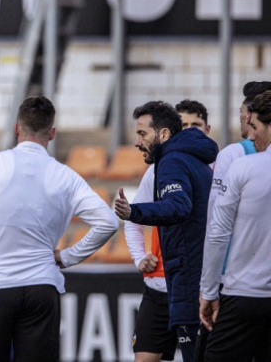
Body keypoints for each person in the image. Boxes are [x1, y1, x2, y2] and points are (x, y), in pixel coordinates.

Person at [0, 96, 118, 361]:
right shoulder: (64, 174)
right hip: (41, 286)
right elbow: (109, 222)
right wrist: (67, 256)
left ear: (16, 129)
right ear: (52, 133)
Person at [114, 101, 218, 362]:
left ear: (163, 135)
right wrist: (139, 255)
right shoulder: (194, 161)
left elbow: (178, 206)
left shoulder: (171, 162)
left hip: (188, 280)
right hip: (192, 279)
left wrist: (133, 212)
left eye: (142, 134)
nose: (137, 142)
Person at [200, 91, 271, 361]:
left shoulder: (242, 167)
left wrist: (207, 291)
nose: (251, 136)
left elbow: (218, 233)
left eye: (254, 128)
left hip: (243, 295)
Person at [208, 81, 271, 225]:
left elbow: (215, 214)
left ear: (249, 115)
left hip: (240, 245)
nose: (240, 117)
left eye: (240, 111)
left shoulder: (231, 154)